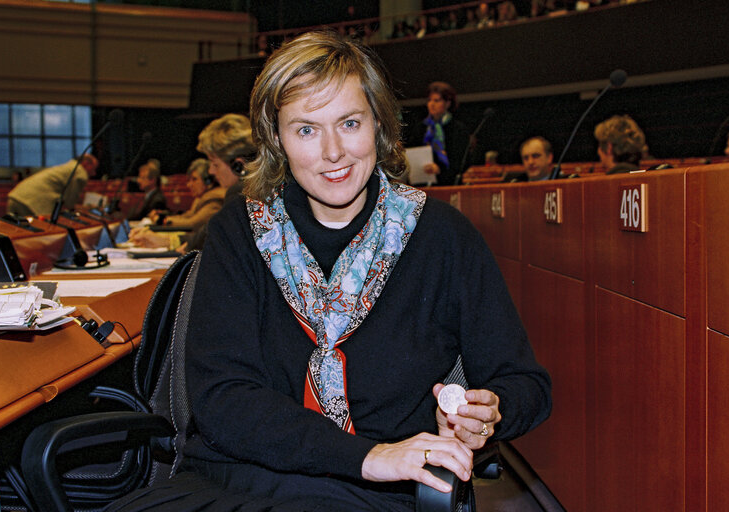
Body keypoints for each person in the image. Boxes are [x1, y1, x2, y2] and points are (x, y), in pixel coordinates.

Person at [107, 30, 550, 512]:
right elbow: (222, 400)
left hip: (371, 495)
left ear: (378, 123)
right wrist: (368, 456)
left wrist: (488, 414)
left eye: (350, 122)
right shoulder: (239, 230)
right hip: (230, 479)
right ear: (276, 139)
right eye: (306, 130)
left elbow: (525, 383)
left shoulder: (444, 236)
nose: (333, 151)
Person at [131, 114, 257, 253]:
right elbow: (203, 236)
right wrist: (167, 240)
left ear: (238, 166)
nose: (211, 171)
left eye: (215, 164)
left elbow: (211, 237)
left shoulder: (240, 194)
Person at [409, 81, 473, 186]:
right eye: (429, 100)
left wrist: (440, 170)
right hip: (422, 183)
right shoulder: (421, 128)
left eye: (437, 100)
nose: (431, 104)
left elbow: (462, 161)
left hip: (449, 184)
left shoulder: (458, 128)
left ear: (447, 103)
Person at [6, 154, 98, 217]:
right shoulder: (80, 172)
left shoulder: (68, 167)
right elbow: (69, 204)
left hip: (16, 197)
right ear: (86, 163)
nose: (94, 173)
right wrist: (86, 208)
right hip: (31, 203)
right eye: (94, 169)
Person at [149, 158, 224, 230]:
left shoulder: (214, 201)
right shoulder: (200, 198)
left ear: (208, 181)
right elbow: (186, 216)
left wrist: (161, 221)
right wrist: (163, 217)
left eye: (194, 179)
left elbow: (192, 224)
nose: (189, 185)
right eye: (189, 180)